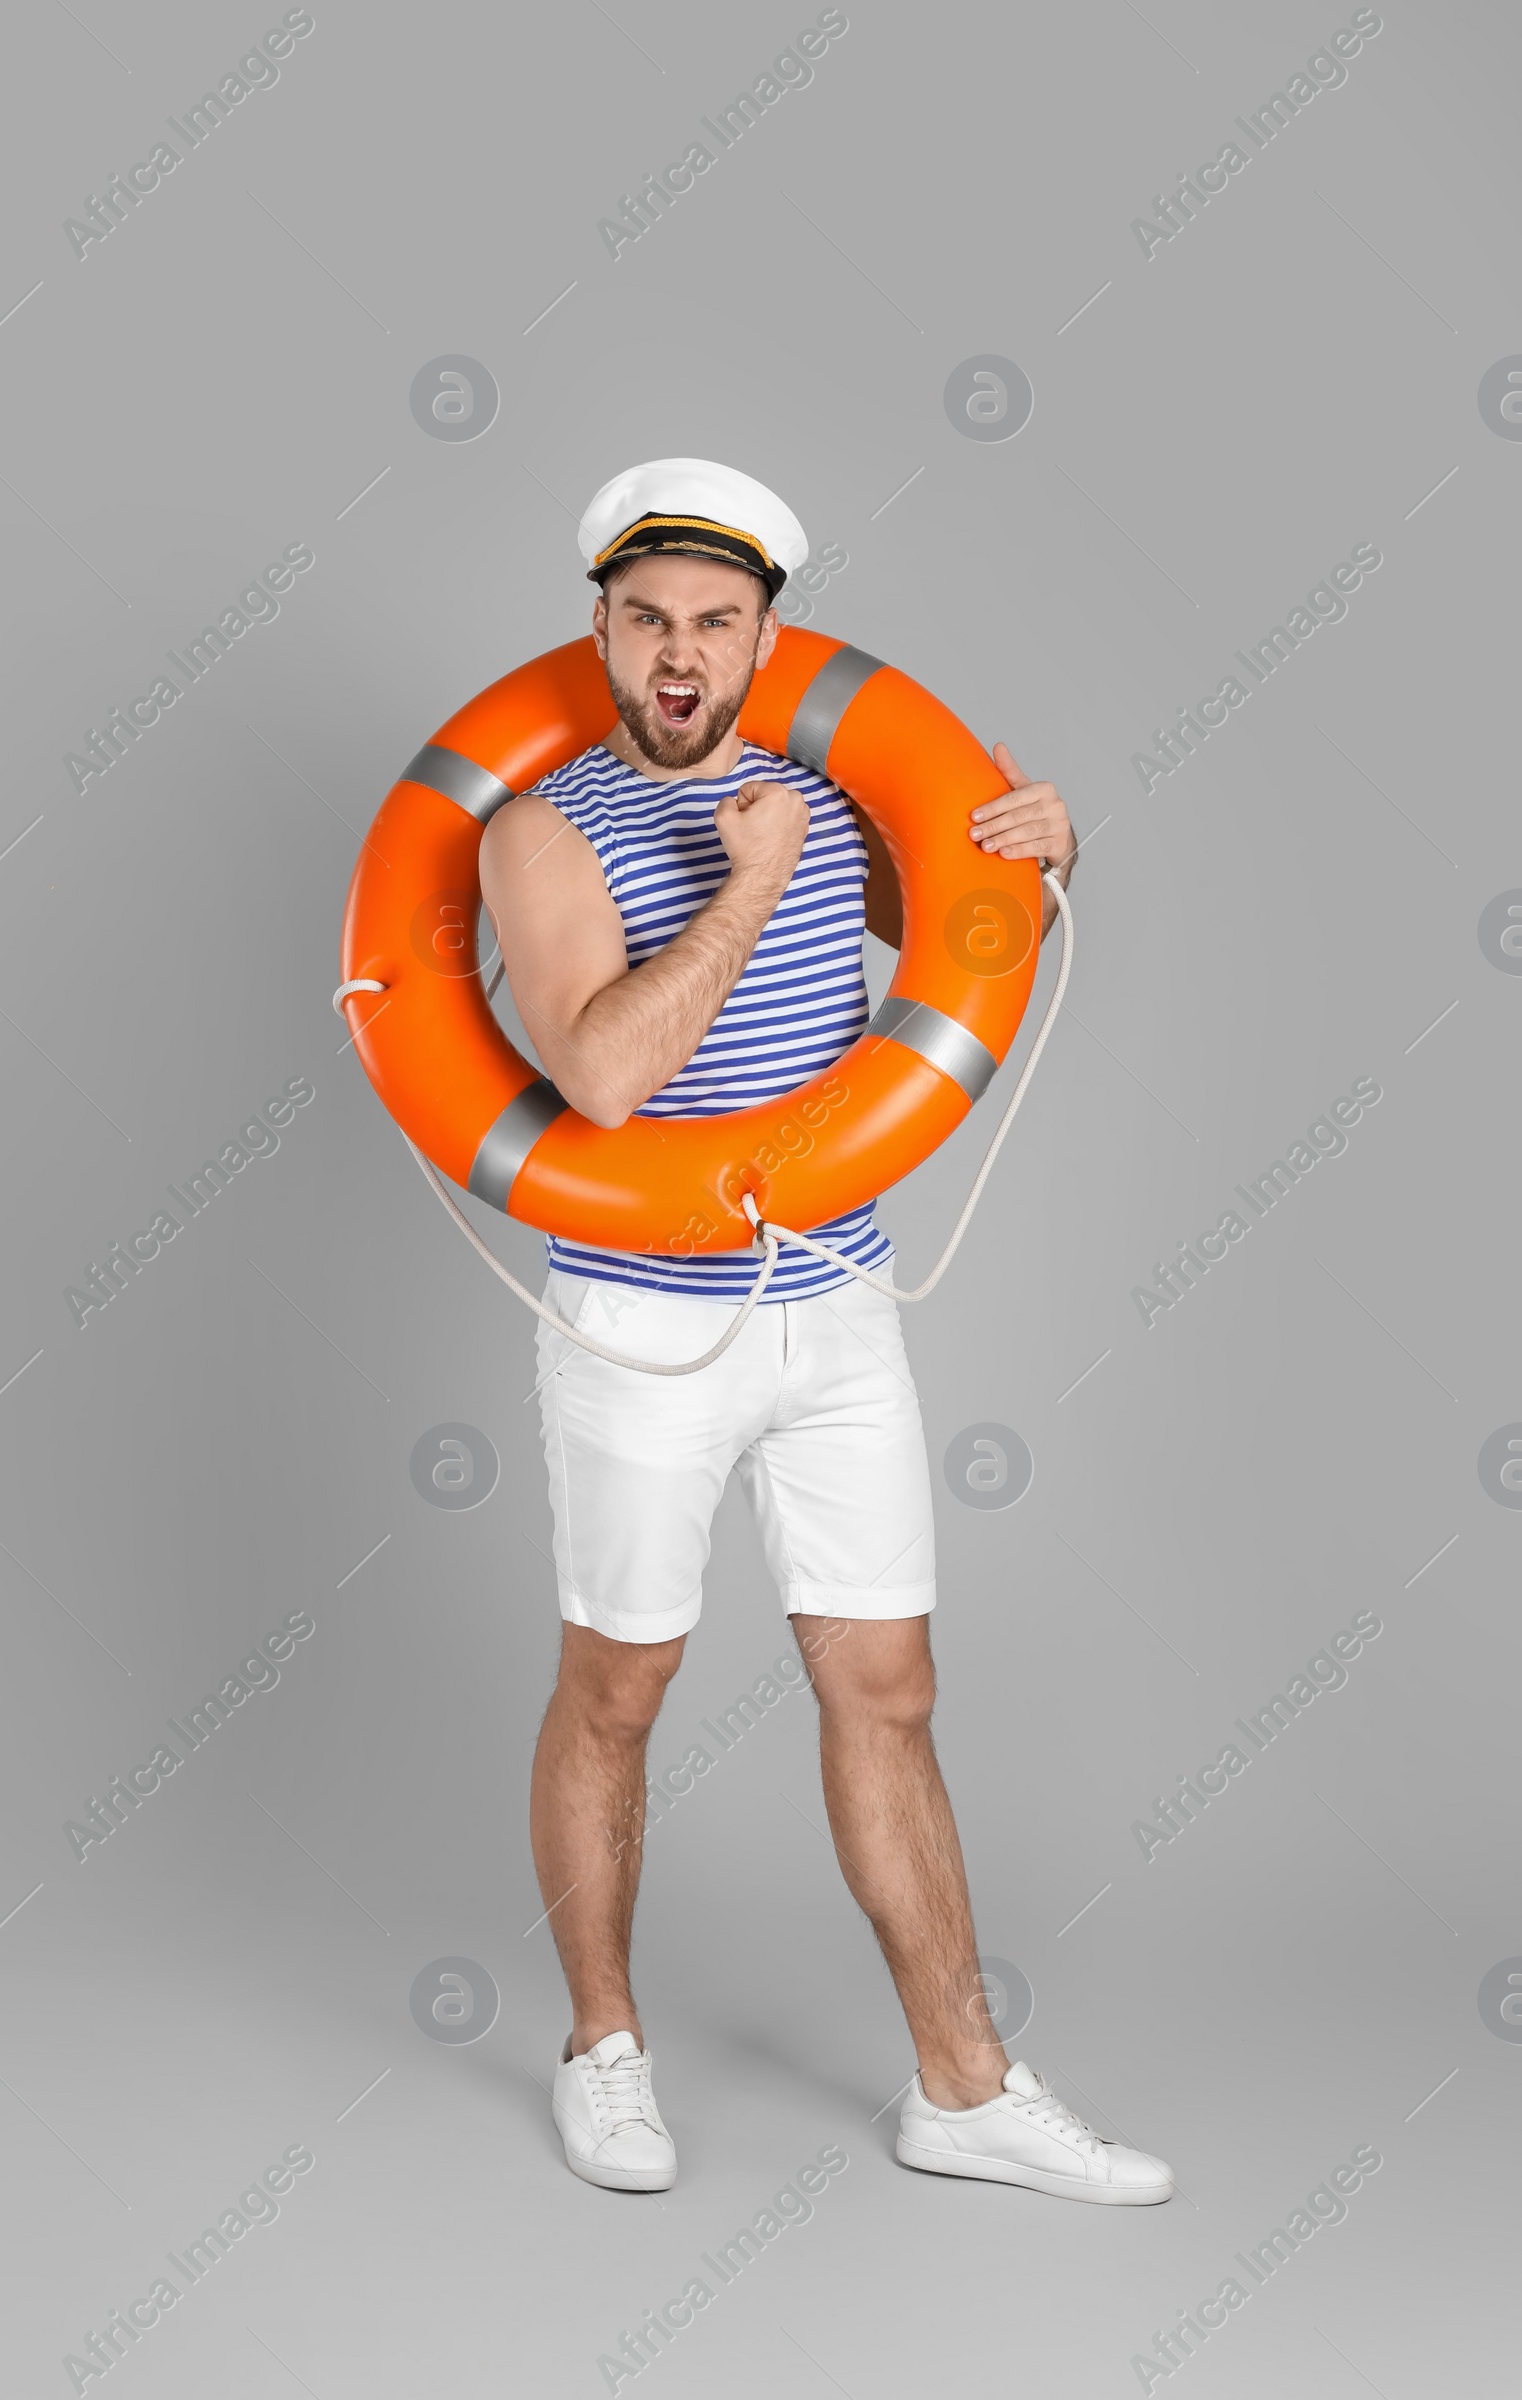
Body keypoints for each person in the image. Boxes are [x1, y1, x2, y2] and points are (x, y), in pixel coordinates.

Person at [478, 458, 1171, 2206]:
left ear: (768, 634)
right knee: (619, 1692)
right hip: (643, 1321)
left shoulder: (829, 795)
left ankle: (964, 2084)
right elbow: (607, 1074)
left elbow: (971, 934)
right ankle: (605, 2051)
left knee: (891, 1689)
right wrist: (743, 885)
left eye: (717, 621)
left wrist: (1053, 846)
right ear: (602, 633)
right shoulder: (541, 830)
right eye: (648, 622)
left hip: (839, 1309)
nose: (681, 656)